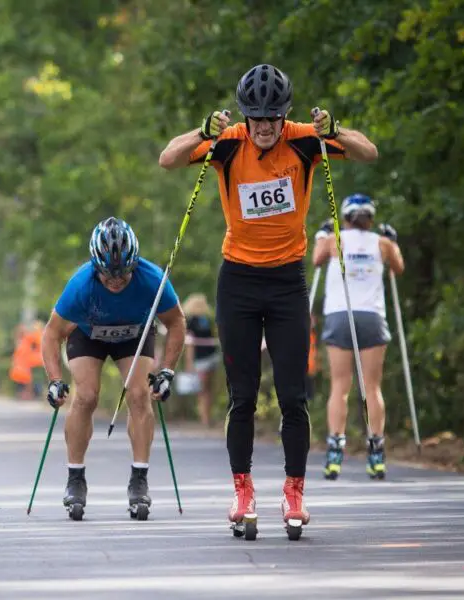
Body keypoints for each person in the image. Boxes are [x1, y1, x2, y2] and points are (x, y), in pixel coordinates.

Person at [158, 63, 378, 539]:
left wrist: (334, 130)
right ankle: (243, 492)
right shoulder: (229, 141)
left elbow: (368, 152)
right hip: (237, 282)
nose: (262, 128)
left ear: (286, 116)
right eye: (255, 118)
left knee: (293, 396)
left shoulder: (303, 140)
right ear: (244, 115)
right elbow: (168, 159)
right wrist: (201, 131)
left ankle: (294, 492)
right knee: (241, 395)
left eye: (271, 119)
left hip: (286, 283)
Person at [41, 217, 187, 521]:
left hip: (135, 333)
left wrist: (167, 372)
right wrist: (55, 380)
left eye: (123, 274)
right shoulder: (81, 284)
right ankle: (75, 479)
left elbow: (176, 322)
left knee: (139, 394)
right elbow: (52, 333)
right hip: (88, 334)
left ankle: (139, 481)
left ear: (135, 264)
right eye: (108, 275)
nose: (116, 281)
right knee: (86, 396)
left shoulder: (152, 278)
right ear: (96, 267)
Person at [312, 194, 404, 480]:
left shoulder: (334, 241)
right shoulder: (382, 243)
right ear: (371, 218)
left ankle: (335, 450)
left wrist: (322, 234)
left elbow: (316, 260)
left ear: (346, 217)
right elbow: (398, 268)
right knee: (372, 387)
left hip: (341, 314)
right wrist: (393, 241)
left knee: (340, 385)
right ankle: (376, 451)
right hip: (371, 317)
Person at [182, 293, 219, 427]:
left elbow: (192, 344)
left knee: (205, 390)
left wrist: (189, 363)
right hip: (206, 359)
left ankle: (206, 418)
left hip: (206, 359)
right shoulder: (199, 321)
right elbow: (192, 344)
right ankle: (206, 418)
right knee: (205, 389)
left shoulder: (198, 321)